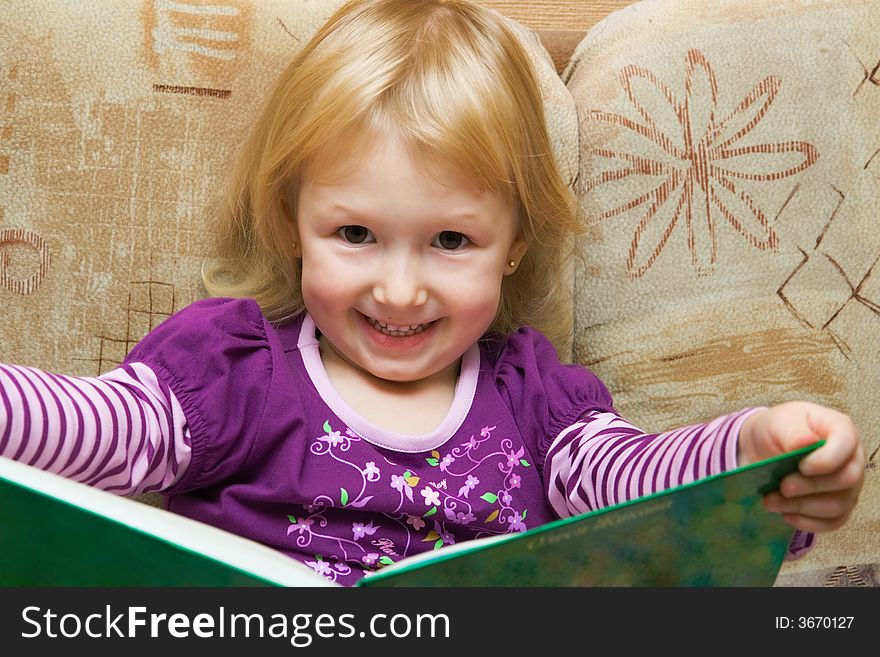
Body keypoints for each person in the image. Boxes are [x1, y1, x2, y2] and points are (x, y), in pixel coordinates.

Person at [0, 0, 864, 586]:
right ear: (292, 220)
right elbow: (101, 426)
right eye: (354, 234)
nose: (401, 288)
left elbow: (631, 485)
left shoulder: (534, 402)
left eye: (450, 241)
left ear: (514, 243)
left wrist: (757, 457)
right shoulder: (233, 370)